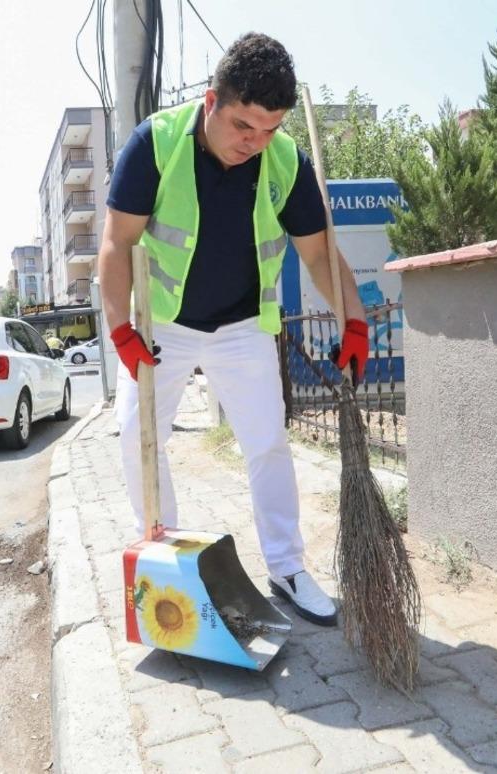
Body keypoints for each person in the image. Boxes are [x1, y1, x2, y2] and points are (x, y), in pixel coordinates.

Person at [98, 32, 369, 627]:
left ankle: (286, 567)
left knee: (268, 443)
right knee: (133, 438)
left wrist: (355, 322)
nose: (257, 142)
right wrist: (120, 330)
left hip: (243, 325)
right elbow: (117, 244)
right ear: (211, 100)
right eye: (246, 125)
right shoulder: (155, 145)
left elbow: (321, 255)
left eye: (271, 128)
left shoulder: (285, 161)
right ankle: (166, 553)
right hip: (160, 326)